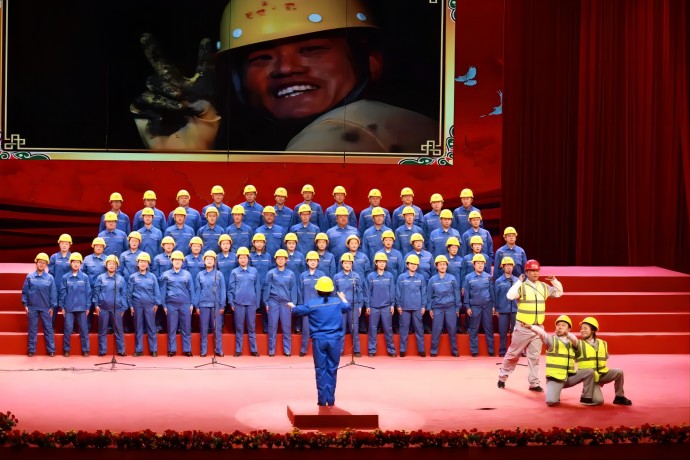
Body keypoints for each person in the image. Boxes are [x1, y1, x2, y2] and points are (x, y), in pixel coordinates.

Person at [131, 0, 437, 154]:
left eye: (312, 49)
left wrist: (189, 163)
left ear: (371, 60)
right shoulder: (389, 125)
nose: (285, 68)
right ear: (238, 81)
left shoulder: (338, 134)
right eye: (261, 58)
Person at [497, 259, 564, 391]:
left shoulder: (543, 286)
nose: (535, 273)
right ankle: (502, 377)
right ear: (526, 272)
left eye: (537, 270)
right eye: (532, 271)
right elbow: (510, 296)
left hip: (538, 328)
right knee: (513, 354)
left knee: (534, 357)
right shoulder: (522, 286)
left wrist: (554, 281)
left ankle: (534, 383)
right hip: (523, 327)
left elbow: (559, 292)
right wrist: (518, 282)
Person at [291, 277, 351, 407]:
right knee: (332, 369)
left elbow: (296, 311)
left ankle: (322, 400)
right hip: (334, 340)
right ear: (331, 290)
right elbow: (347, 306)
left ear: (317, 290)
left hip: (319, 340)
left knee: (320, 369)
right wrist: (342, 297)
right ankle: (331, 399)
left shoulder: (312, 303)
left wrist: (292, 306)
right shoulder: (337, 302)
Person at [521, 316, 597, 406]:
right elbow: (542, 333)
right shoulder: (551, 340)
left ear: (569, 329)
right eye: (558, 325)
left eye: (563, 325)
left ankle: (586, 398)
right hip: (555, 379)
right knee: (551, 402)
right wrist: (531, 327)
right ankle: (555, 391)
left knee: (589, 372)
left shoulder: (573, 342)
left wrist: (567, 334)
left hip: (569, 377)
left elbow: (575, 339)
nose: (560, 327)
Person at [577, 317, 633, 406]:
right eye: (581, 328)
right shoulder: (579, 344)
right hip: (591, 378)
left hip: (602, 374)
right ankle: (586, 393)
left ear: (593, 330)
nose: (582, 330)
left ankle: (619, 397)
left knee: (619, 372)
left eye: (585, 328)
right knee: (599, 401)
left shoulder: (603, 343)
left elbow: (606, 357)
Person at [159, 250, 195, 357]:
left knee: (186, 327)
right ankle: (172, 349)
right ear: (172, 261)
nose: (177, 262)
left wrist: (192, 303)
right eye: (175, 260)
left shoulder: (187, 274)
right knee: (172, 327)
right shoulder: (166, 275)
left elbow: (191, 290)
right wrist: (164, 305)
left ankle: (187, 349)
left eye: (179, 260)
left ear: (182, 262)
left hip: (185, 303)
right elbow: (163, 291)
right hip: (171, 304)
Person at [263, 249, 298, 356]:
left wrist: (293, 304)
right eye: (279, 258)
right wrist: (266, 302)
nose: (281, 260)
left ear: (286, 260)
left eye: (283, 258)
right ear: (275, 260)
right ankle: (271, 350)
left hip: (286, 303)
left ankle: (287, 350)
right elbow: (266, 289)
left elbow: (293, 290)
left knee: (286, 327)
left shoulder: (291, 274)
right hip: (273, 302)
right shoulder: (271, 273)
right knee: (272, 326)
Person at [228, 247, 262, 357]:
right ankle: (238, 350)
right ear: (238, 259)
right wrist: (231, 303)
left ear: (248, 258)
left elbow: (257, 288)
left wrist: (257, 303)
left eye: (245, 257)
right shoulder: (234, 272)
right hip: (238, 303)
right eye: (241, 258)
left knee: (252, 327)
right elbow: (231, 289)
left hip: (251, 303)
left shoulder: (254, 271)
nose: (243, 260)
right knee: (239, 328)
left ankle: (254, 350)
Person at [93, 254, 129, 357]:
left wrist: (124, 307)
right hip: (103, 308)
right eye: (110, 264)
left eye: (114, 264)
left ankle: (121, 350)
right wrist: (96, 305)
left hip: (117, 308)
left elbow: (124, 294)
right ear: (106, 265)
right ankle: (102, 350)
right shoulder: (100, 278)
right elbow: (96, 292)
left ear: (117, 266)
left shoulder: (121, 279)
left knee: (119, 330)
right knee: (102, 330)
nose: (112, 265)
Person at [22, 253, 57, 357]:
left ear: (46, 264)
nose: (41, 264)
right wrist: (25, 304)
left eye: (44, 263)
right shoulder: (30, 276)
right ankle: (31, 350)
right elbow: (25, 291)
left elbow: (53, 293)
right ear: (36, 263)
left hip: (46, 307)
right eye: (40, 262)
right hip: (32, 307)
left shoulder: (50, 278)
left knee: (48, 329)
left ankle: (51, 350)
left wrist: (52, 307)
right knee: (32, 329)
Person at [128, 251, 162, 356]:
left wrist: (156, 304)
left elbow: (157, 291)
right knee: (138, 327)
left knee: (151, 327)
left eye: (145, 262)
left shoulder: (152, 277)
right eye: (141, 262)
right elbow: (129, 293)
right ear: (138, 263)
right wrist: (130, 306)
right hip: (137, 305)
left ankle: (153, 350)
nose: (143, 264)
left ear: (148, 264)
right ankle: (139, 350)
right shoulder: (133, 277)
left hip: (150, 305)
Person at [193, 250, 227, 357]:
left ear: (214, 261)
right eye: (207, 259)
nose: (209, 261)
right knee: (203, 329)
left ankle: (219, 350)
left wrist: (222, 305)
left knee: (217, 329)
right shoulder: (200, 275)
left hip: (216, 306)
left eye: (211, 259)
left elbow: (223, 290)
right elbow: (197, 291)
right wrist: (196, 306)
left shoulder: (219, 274)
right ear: (204, 261)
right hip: (203, 305)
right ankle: (203, 351)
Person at [463, 254, 496, 357]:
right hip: (474, 307)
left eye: (482, 263)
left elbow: (492, 292)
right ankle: (474, 351)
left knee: (489, 328)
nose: (480, 265)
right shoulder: (468, 277)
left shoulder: (488, 277)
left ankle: (491, 350)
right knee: (474, 329)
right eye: (478, 263)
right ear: (474, 265)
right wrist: (468, 307)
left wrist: (493, 306)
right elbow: (466, 294)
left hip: (487, 306)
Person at [332, 253, 365, 356]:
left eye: (349, 263)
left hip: (354, 306)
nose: (347, 265)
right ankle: (340, 350)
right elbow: (334, 293)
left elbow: (360, 291)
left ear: (352, 264)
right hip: (341, 307)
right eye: (345, 263)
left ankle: (357, 350)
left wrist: (360, 305)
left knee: (354, 328)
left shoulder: (356, 276)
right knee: (341, 328)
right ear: (342, 264)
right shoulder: (337, 277)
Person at [59, 253, 91, 357]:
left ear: (80, 264)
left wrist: (88, 306)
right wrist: (62, 306)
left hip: (82, 307)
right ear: (70, 263)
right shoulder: (65, 277)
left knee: (84, 329)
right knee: (68, 329)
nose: (76, 264)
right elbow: (62, 293)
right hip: (69, 307)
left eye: (78, 262)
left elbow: (88, 293)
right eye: (74, 262)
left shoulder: (85, 277)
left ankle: (86, 349)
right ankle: (66, 349)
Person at [427, 255, 460, 357]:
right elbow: (429, 295)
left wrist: (457, 307)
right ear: (436, 266)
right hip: (437, 307)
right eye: (440, 264)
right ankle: (433, 351)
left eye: (444, 264)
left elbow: (457, 293)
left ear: (447, 266)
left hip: (450, 307)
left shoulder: (452, 278)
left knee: (452, 329)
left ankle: (454, 350)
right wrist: (430, 308)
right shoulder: (432, 280)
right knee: (436, 329)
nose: (442, 266)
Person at [396, 254, 427, 357]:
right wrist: (398, 305)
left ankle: (421, 350)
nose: (413, 265)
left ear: (417, 266)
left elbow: (424, 293)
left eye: (415, 264)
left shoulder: (421, 278)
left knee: (419, 329)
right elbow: (398, 292)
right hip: (404, 307)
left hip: (417, 307)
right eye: (411, 264)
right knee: (403, 329)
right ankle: (402, 350)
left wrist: (423, 306)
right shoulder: (401, 277)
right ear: (407, 265)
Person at [366, 253, 396, 357]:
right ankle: (371, 350)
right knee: (372, 329)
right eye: (380, 262)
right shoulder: (371, 276)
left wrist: (392, 304)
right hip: (374, 307)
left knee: (388, 329)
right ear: (376, 263)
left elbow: (392, 291)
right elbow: (367, 292)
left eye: (383, 262)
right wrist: (368, 305)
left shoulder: (389, 276)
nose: (382, 264)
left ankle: (391, 350)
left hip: (386, 307)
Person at [297, 251, 326, 356]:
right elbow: (300, 291)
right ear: (307, 262)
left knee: (319, 329)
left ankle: (320, 350)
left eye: (315, 260)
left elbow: (325, 291)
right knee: (305, 329)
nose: (313, 262)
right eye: (311, 260)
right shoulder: (303, 275)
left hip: (319, 307)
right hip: (306, 306)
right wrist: (300, 305)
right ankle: (303, 349)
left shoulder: (322, 275)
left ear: (318, 262)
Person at [494, 257, 518, 357]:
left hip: (515, 309)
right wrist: (496, 309)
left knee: (515, 332)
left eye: (511, 265)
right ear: (503, 267)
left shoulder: (517, 280)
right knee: (503, 332)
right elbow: (496, 296)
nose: (509, 267)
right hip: (503, 309)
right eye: (507, 265)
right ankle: (502, 350)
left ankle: (516, 351)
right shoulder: (498, 281)